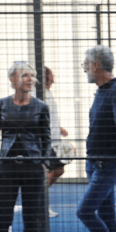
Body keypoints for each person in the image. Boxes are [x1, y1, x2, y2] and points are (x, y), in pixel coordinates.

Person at [0, 61, 50, 232]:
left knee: (31, 220)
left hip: (33, 169)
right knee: (3, 219)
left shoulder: (41, 106)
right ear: (13, 80)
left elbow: (46, 138)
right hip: (7, 168)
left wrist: (42, 161)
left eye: (32, 76)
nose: (30, 80)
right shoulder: (0, 105)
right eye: (25, 76)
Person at [76, 46, 116, 232]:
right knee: (107, 216)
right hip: (95, 163)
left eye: (86, 64)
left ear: (96, 65)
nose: (84, 68)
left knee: (85, 211)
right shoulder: (101, 91)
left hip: (109, 163)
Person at [42, 66, 69, 217]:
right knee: (53, 171)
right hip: (46, 142)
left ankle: (39, 199)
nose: (53, 75)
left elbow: (48, 117)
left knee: (58, 170)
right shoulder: (40, 95)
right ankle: (39, 202)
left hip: (54, 141)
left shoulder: (48, 93)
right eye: (50, 73)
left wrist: (58, 128)